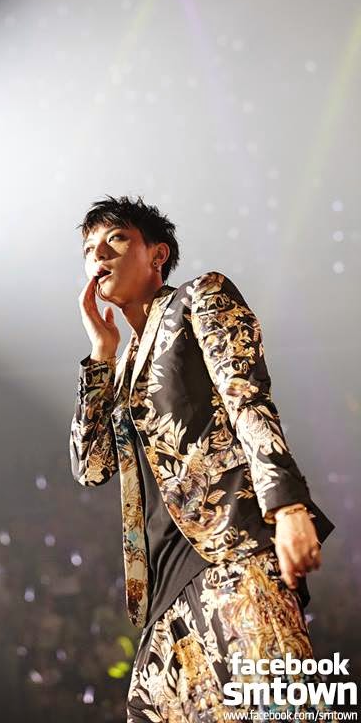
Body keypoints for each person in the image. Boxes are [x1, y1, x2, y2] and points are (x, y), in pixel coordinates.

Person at [70, 195, 334, 721]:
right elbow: (91, 467)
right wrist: (101, 353)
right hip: (161, 595)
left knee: (277, 710)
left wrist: (288, 507)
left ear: (157, 254)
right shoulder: (120, 367)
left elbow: (247, 400)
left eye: (116, 239)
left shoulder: (199, 297)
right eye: (88, 248)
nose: (98, 254)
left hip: (232, 557)